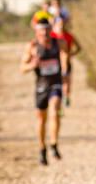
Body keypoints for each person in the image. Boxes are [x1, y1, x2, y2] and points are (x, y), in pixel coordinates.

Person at [20, 18, 69, 165]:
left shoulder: (58, 43)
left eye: (47, 29)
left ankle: (54, 143)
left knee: (55, 110)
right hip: (41, 85)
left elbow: (65, 58)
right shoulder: (32, 46)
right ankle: (42, 148)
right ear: (36, 31)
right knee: (41, 118)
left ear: (51, 30)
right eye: (41, 30)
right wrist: (32, 65)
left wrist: (65, 75)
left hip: (56, 83)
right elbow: (22, 68)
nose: (45, 33)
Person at [51, 15, 82, 107]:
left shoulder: (69, 36)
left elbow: (79, 48)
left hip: (66, 62)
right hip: (55, 63)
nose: (61, 25)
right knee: (57, 84)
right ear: (55, 24)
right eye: (59, 23)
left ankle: (66, 97)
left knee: (66, 82)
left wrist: (71, 54)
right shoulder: (51, 36)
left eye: (62, 23)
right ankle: (57, 100)